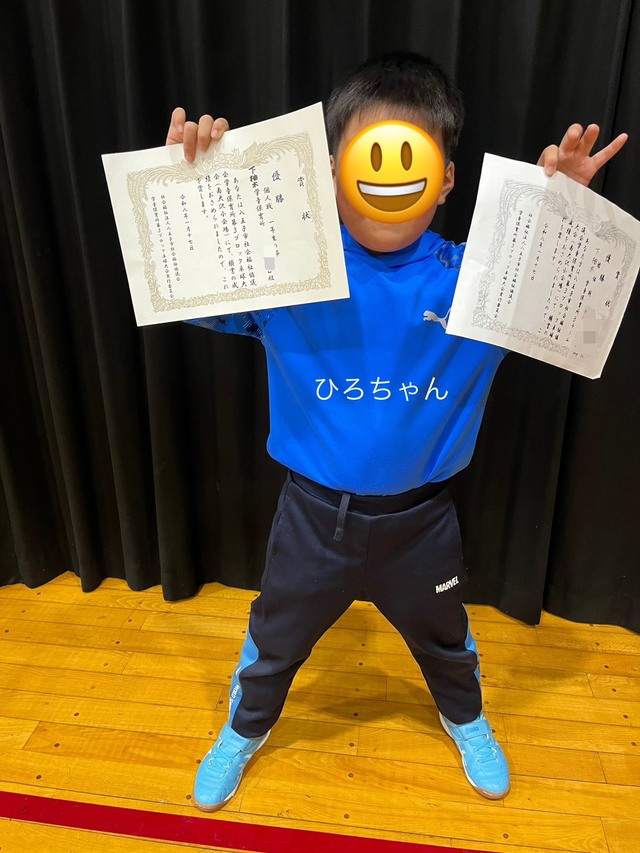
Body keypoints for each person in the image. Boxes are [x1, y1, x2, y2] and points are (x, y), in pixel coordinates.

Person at [165, 52, 627, 811]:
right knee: (274, 641)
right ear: (332, 170)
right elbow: (191, 290)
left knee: (446, 641)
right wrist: (192, 189)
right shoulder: (290, 273)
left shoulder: (479, 280)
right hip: (312, 518)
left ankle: (466, 718)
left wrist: (560, 215)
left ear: (445, 180)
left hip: (421, 524)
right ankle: (244, 729)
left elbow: (566, 291)